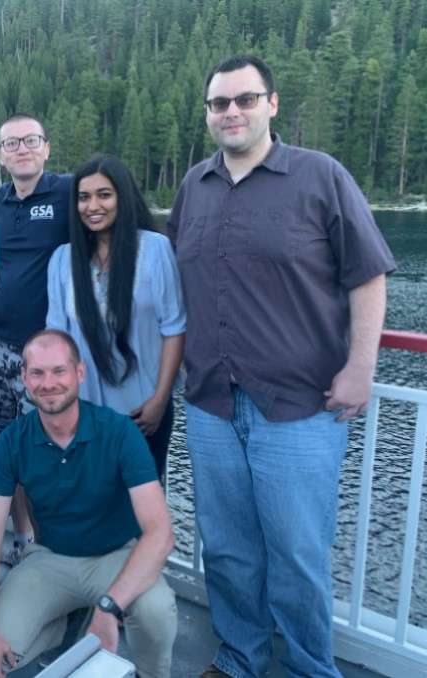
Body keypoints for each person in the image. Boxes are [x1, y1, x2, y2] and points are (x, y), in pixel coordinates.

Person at [167, 54, 396, 678]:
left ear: (271, 103)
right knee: (228, 548)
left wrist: (361, 366)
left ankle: (306, 669)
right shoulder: (194, 186)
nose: (231, 112)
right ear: (209, 113)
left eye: (245, 99)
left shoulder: (320, 177)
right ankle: (239, 656)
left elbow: (368, 274)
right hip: (211, 401)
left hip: (299, 406)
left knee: (296, 553)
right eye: (219, 103)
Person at [0, 330, 179, 678]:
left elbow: (160, 534)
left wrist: (108, 608)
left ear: (80, 373)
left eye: (59, 371)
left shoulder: (119, 432)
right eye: (37, 373)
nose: (48, 383)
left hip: (117, 555)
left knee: (156, 610)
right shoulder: (12, 441)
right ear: (24, 378)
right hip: (50, 558)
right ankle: (65, 626)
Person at [46, 154, 185, 482]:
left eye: (104, 194)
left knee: (141, 515)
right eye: (83, 197)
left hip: (143, 414)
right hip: (84, 416)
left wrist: (160, 401)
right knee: (93, 509)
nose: (93, 205)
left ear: (123, 196)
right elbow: (57, 340)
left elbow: (175, 328)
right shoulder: (62, 260)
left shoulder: (155, 249)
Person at [0, 113, 71, 557]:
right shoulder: (0, 200)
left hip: (47, 351)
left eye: (31, 140)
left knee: (48, 450)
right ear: (0, 156)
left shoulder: (69, 191)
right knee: (3, 448)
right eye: (12, 144)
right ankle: (23, 536)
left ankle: (54, 544)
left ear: (47, 147)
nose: (22, 149)